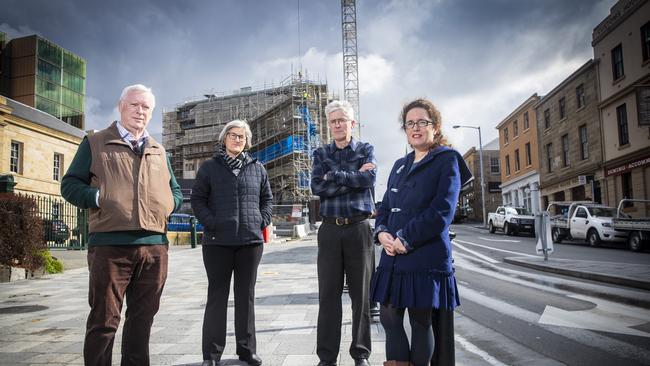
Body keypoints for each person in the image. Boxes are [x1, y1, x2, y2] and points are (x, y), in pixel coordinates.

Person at [61, 84, 183, 366]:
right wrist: (98, 196)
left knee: (143, 320)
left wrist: (169, 204)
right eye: (134, 104)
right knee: (104, 320)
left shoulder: (158, 150)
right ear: (121, 106)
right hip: (110, 247)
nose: (140, 111)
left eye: (146, 107)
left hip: (154, 249)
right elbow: (69, 185)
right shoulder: (95, 141)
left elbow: (175, 190)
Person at [370, 98, 471, 366]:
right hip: (392, 256)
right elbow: (385, 207)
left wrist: (405, 238)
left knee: (419, 321)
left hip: (424, 255)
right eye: (410, 123)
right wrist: (381, 233)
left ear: (435, 127)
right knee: (388, 317)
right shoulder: (399, 166)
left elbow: (442, 211)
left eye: (422, 122)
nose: (415, 127)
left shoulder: (447, 159)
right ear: (405, 129)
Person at [191, 119, 273, 366]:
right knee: (217, 297)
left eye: (242, 136)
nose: (238, 139)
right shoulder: (209, 168)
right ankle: (211, 355)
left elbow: (267, 199)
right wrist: (212, 223)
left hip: (250, 242)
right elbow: (197, 201)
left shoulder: (258, 168)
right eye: (233, 135)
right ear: (224, 138)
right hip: (217, 243)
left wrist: (261, 219)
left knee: (245, 297)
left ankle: (247, 351)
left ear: (247, 141)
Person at [311, 100, 376, 366]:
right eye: (333, 121)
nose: (338, 125)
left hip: (359, 228)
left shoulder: (365, 149)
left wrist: (333, 177)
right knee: (328, 296)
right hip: (329, 230)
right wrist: (351, 177)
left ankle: (360, 354)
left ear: (352, 123)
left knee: (361, 297)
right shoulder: (320, 153)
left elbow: (368, 180)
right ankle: (327, 358)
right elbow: (317, 187)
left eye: (342, 120)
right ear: (330, 125)